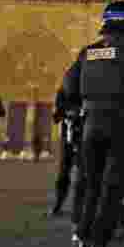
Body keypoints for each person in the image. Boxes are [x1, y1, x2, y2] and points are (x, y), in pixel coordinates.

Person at [61, 1, 124, 247]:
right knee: (112, 188)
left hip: (91, 125)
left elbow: (68, 85)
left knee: (90, 185)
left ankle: (82, 245)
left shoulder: (88, 52)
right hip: (120, 125)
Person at [49, 87, 80, 216]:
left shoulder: (90, 86)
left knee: (84, 173)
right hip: (69, 136)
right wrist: (66, 114)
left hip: (84, 136)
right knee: (64, 172)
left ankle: (81, 207)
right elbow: (56, 116)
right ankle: (59, 203)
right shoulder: (64, 91)